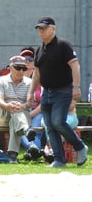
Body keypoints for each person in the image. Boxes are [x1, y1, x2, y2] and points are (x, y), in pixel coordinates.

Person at [28, 17, 88, 168]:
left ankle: (80, 147)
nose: (41, 31)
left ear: (53, 28)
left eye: (44, 28)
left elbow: (75, 66)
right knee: (49, 126)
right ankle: (59, 159)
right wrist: (30, 93)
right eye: (39, 29)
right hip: (46, 93)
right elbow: (36, 74)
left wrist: (76, 87)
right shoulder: (39, 49)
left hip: (63, 91)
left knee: (58, 122)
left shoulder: (63, 45)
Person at [0, 56, 38, 163]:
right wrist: (8, 106)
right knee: (15, 112)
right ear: (10, 67)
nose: (21, 71)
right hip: (4, 114)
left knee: (15, 118)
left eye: (23, 68)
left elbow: (30, 102)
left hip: (22, 114)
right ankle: (26, 130)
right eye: (18, 68)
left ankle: (12, 155)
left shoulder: (29, 82)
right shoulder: (1, 81)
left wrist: (22, 106)